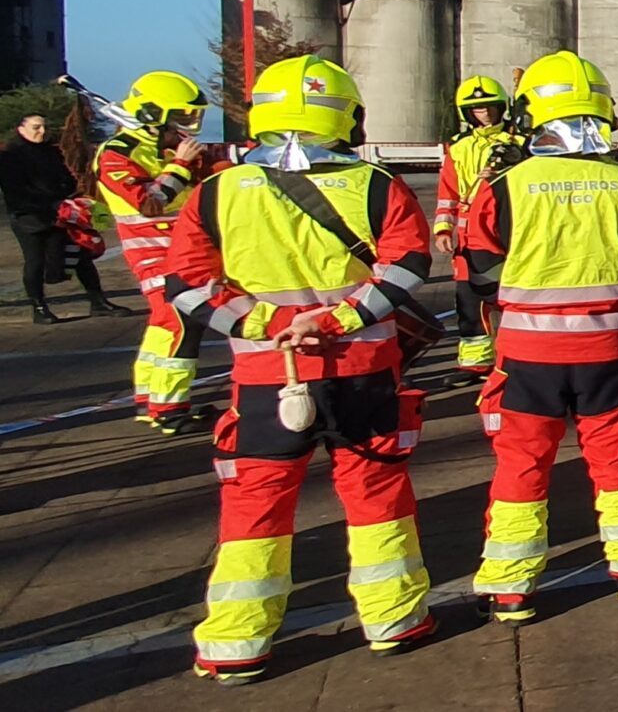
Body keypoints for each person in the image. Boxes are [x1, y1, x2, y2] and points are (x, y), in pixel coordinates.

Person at [162, 56, 436, 683]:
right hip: (363, 366)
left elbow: (186, 284)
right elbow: (405, 267)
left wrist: (261, 324)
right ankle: (394, 618)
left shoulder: (216, 191)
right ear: (347, 115)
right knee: (375, 490)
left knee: (256, 503)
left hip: (265, 374)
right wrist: (334, 321)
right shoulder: (375, 185)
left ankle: (236, 642)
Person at [466, 51, 618, 622]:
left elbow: (479, 270)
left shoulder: (506, 185)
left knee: (522, 466)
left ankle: (511, 586)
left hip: (529, 357)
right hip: (608, 349)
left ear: (532, 112)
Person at [96, 71, 220, 431]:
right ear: (152, 115)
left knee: (164, 324)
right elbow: (148, 203)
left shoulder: (162, 146)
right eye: (180, 117)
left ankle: (148, 399)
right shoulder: (116, 154)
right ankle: (170, 409)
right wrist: (180, 165)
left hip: (183, 249)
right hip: (154, 252)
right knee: (182, 321)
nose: (187, 127)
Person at [433, 76, 521, 383]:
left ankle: (517, 356)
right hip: (468, 236)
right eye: (476, 108)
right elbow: (448, 192)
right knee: (469, 298)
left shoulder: (519, 143)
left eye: (488, 107)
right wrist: (443, 230)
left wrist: (510, 165)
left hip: (510, 229)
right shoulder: (458, 149)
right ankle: (476, 363)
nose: (483, 113)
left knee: (513, 293)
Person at [3, 111, 123, 323]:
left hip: (63, 213)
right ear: (20, 129)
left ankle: (98, 301)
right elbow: (16, 192)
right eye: (36, 127)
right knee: (35, 261)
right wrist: (51, 203)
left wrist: (74, 198)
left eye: (44, 126)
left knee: (82, 256)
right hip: (30, 217)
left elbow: (67, 179)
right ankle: (39, 308)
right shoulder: (10, 156)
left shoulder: (51, 152)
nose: (42, 131)